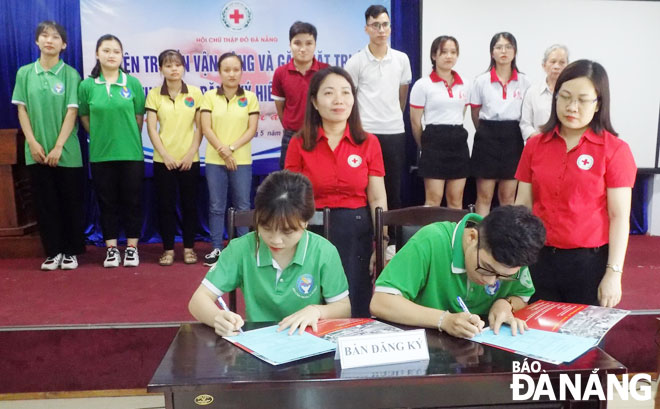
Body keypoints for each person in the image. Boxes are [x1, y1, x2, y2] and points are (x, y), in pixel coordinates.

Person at [515, 60, 637, 307]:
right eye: (565, 97)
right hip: (539, 259)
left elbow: (618, 217)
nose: (571, 107)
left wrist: (614, 273)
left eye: (582, 100)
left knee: (583, 340)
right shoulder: (535, 145)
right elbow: (523, 206)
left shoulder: (615, 150)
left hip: (588, 264)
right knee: (538, 335)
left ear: (598, 104)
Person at [188, 170, 351, 336]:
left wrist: (317, 311)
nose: (276, 240)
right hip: (257, 341)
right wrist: (218, 318)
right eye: (266, 228)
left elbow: (344, 309)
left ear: (306, 222)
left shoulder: (324, 251)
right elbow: (198, 301)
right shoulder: (241, 249)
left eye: (287, 232)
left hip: (308, 340)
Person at [285, 66, 388, 318]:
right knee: (311, 299)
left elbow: (377, 198)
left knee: (355, 301)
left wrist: (382, 243)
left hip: (356, 231)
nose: (339, 100)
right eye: (329, 93)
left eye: (345, 92)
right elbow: (290, 199)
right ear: (315, 102)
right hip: (311, 231)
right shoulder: (299, 143)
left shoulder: (369, 142)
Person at [370, 205, 546, 339]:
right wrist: (444, 320)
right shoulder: (431, 240)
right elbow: (381, 302)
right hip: (427, 346)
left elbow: (521, 296)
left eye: (503, 276)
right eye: (486, 268)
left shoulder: (514, 256)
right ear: (472, 237)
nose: (492, 281)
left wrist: (505, 303)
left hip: (479, 352)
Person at [11, 21, 85, 270]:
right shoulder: (25, 73)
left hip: (66, 152)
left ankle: (71, 252)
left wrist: (58, 147)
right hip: (36, 151)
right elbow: (22, 110)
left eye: (55, 37)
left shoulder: (71, 74)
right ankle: (53, 252)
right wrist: (32, 142)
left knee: (69, 202)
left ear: (64, 44)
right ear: (37, 41)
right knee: (45, 203)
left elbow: (72, 112)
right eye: (44, 36)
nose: (49, 40)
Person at [78, 34, 146, 268]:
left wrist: (124, 137)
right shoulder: (87, 86)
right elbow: (84, 117)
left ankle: (131, 248)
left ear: (122, 55)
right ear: (97, 54)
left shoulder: (133, 83)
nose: (111, 55)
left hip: (130, 154)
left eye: (116, 51)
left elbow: (138, 119)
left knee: (132, 202)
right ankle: (111, 250)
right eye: (106, 50)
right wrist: (99, 136)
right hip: (100, 155)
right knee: (107, 203)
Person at [344, 4, 411, 212]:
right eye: (375, 25)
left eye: (385, 25)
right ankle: (368, 239)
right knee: (363, 187)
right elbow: (350, 99)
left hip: (394, 131)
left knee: (393, 188)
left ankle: (392, 241)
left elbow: (402, 96)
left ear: (390, 27)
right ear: (366, 29)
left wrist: (392, 116)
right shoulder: (355, 62)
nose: (381, 30)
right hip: (365, 132)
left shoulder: (401, 59)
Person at [200, 52, 259, 266]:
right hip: (215, 160)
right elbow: (206, 127)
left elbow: (251, 130)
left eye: (236, 69)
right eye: (227, 70)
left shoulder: (250, 97)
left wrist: (231, 148)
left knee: (243, 206)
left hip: (241, 160)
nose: (231, 74)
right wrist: (222, 151)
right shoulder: (209, 97)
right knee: (216, 206)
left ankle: (243, 250)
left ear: (242, 71)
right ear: (219, 73)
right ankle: (216, 248)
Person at [146, 49, 203, 266]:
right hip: (163, 161)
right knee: (165, 206)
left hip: (190, 159)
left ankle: (189, 248)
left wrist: (190, 154)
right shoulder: (154, 94)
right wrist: (165, 155)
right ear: (161, 69)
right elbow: (151, 129)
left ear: (183, 68)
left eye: (178, 65)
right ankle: (168, 249)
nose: (173, 69)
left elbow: (200, 128)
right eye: (168, 65)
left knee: (190, 206)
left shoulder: (195, 93)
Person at [470, 32, 530, 216]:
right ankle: (480, 239)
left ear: (515, 52)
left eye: (508, 47)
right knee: (484, 196)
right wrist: (486, 132)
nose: (503, 51)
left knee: (508, 197)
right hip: (487, 138)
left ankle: (505, 240)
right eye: (499, 47)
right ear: (492, 53)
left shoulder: (524, 81)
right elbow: (475, 114)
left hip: (513, 138)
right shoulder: (481, 81)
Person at [409, 35, 470, 208]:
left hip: (458, 143)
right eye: (443, 52)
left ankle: (453, 236)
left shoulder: (465, 84)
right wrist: (425, 146)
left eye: (453, 52)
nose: (449, 56)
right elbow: (415, 121)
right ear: (434, 55)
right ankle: (432, 235)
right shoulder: (423, 85)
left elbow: (462, 112)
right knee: (433, 200)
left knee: (456, 200)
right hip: (433, 143)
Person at [272, 21, 329, 169]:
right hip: (291, 136)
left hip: (321, 135)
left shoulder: (326, 71)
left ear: (315, 44)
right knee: (287, 182)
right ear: (290, 44)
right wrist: (291, 124)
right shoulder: (281, 73)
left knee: (320, 179)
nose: (303, 49)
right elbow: (281, 108)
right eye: (297, 43)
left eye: (309, 43)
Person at [520, 45, 569, 140]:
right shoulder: (532, 92)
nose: (557, 66)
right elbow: (525, 124)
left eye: (562, 62)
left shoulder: (573, 92)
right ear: (544, 65)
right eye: (553, 62)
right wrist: (539, 141)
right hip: (539, 144)